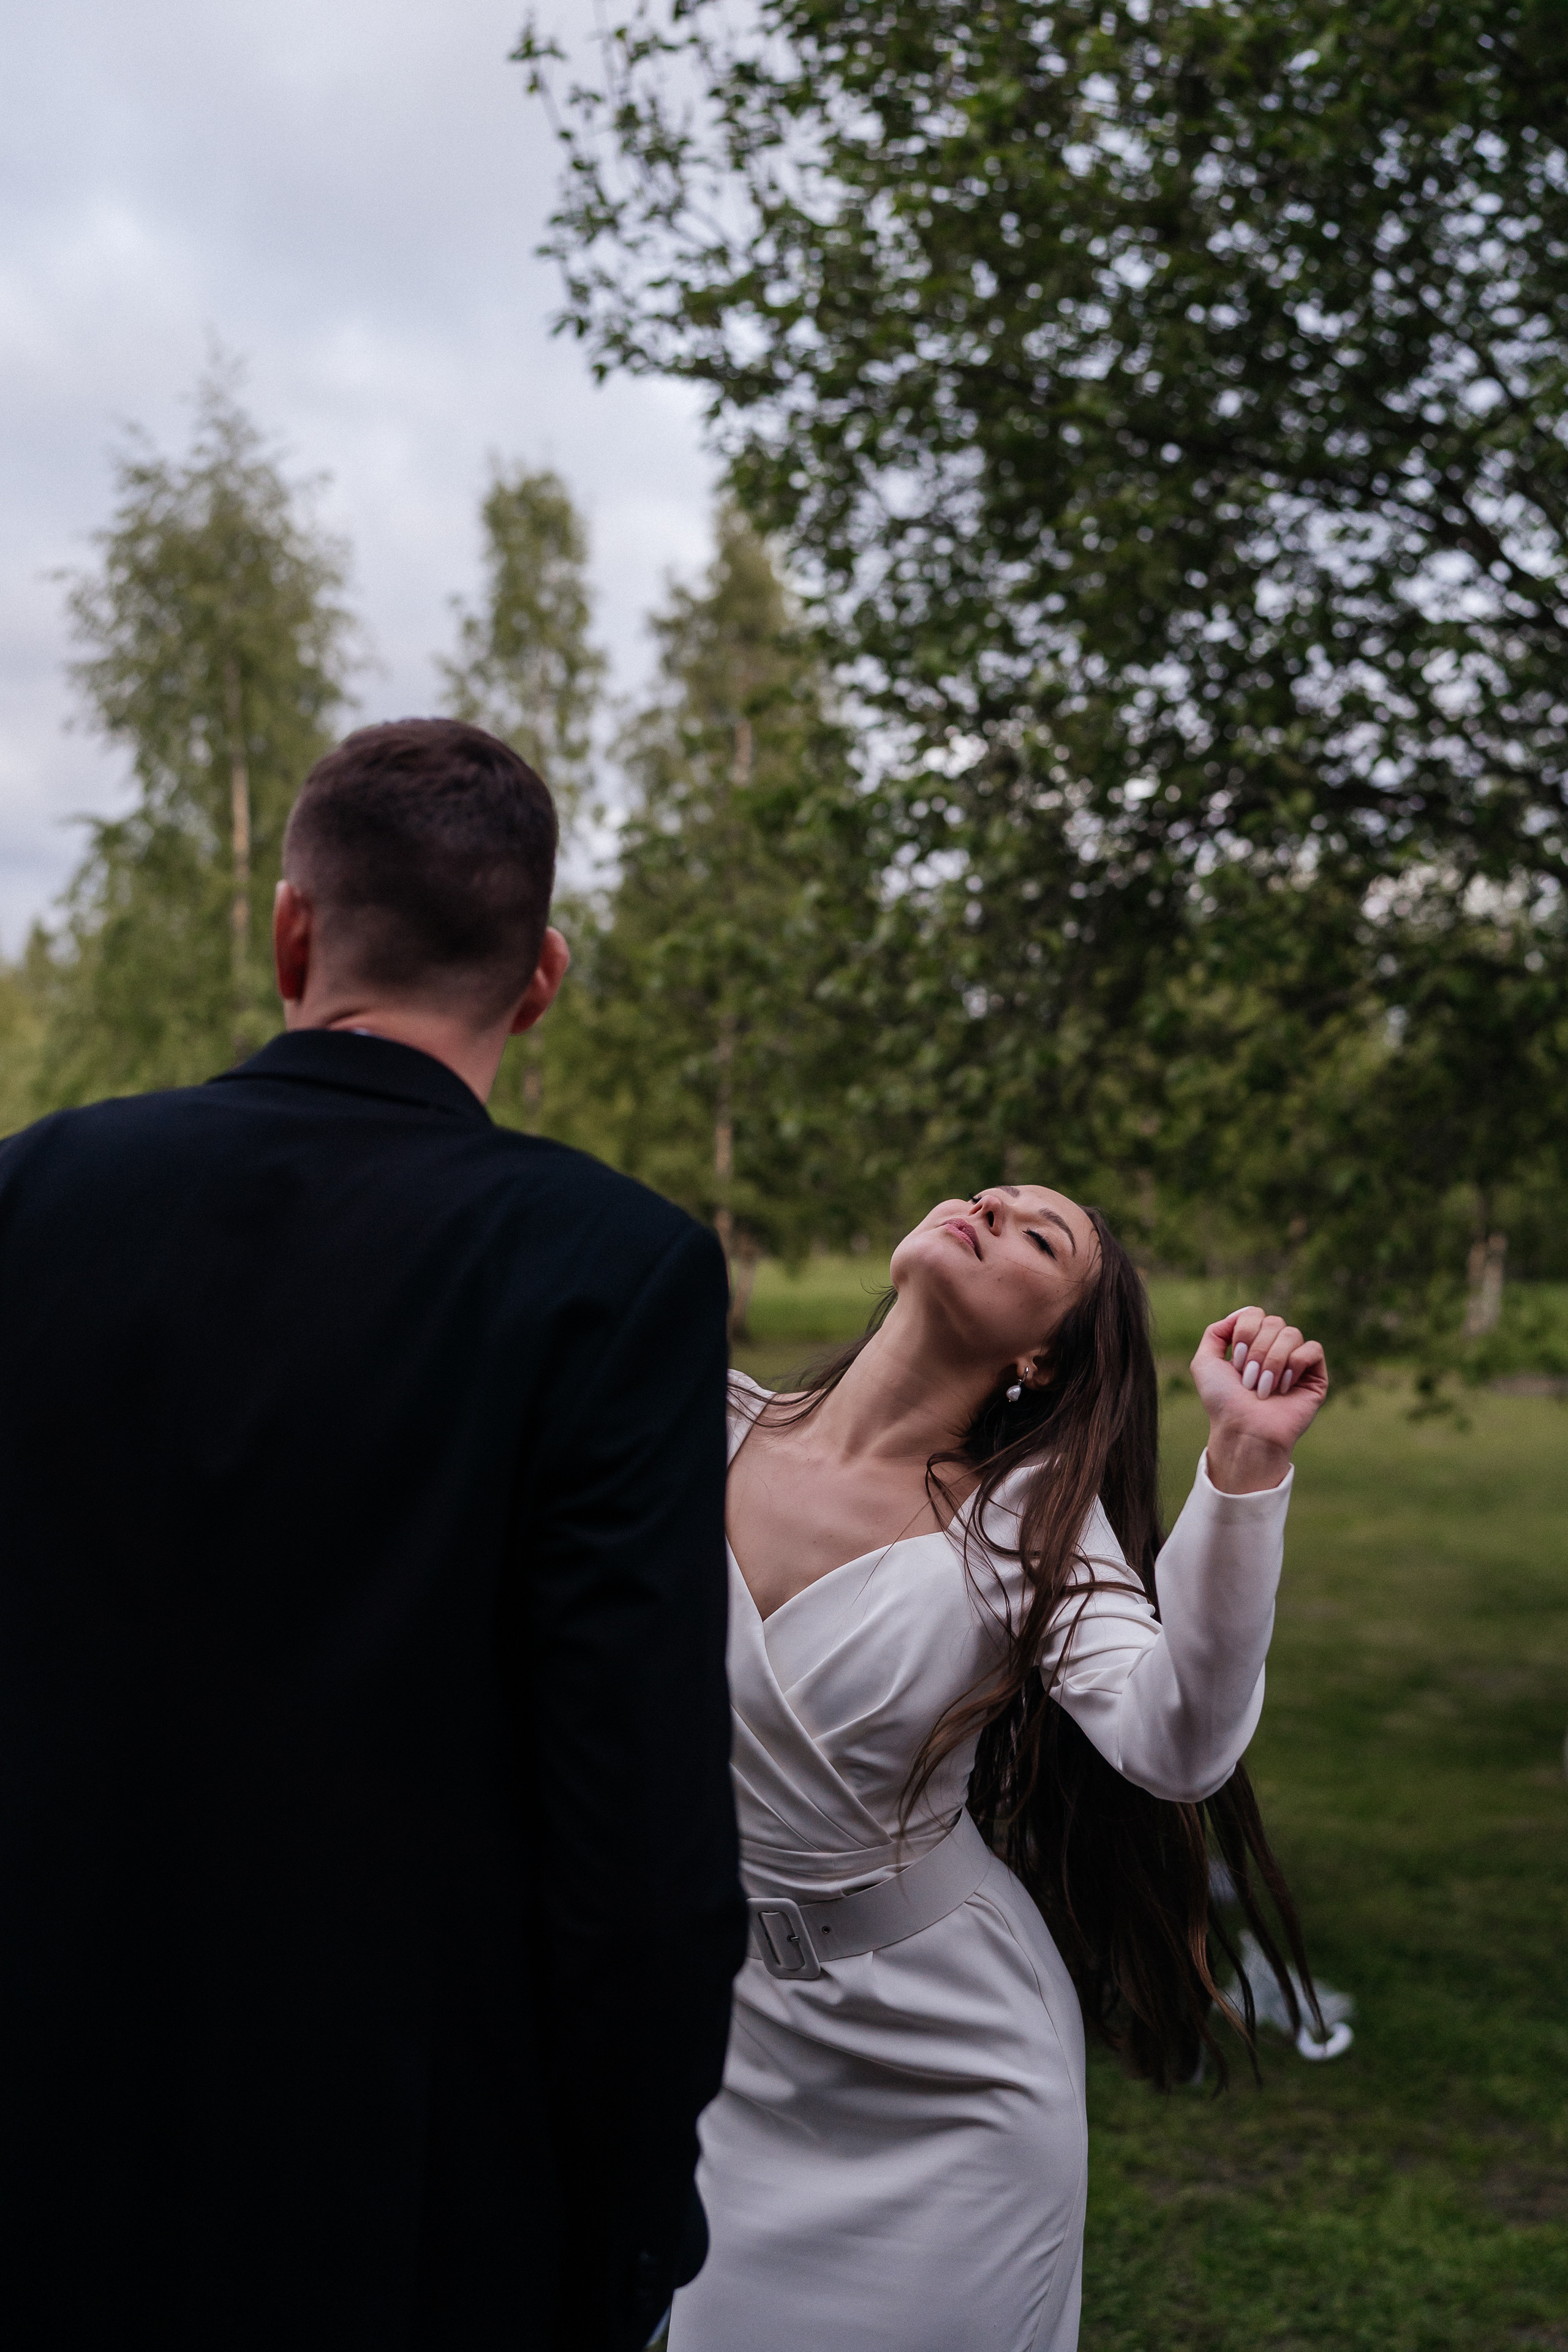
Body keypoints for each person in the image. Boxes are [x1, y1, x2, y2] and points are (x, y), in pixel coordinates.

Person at [0, 720, 745, 2352]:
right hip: (410, 2197)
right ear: (539, 978)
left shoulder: (30, 1193)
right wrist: (630, 2209)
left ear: (291, 933)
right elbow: (642, 1832)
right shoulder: (607, 1270)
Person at [670, 1188, 1329, 2352]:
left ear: (1039, 1357)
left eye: (1039, 1236)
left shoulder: (1026, 1528)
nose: (989, 1207)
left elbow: (1176, 1749)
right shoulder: (691, 1424)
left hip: (948, 2070)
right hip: (732, 2044)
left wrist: (1243, 1467)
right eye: (990, 1195)